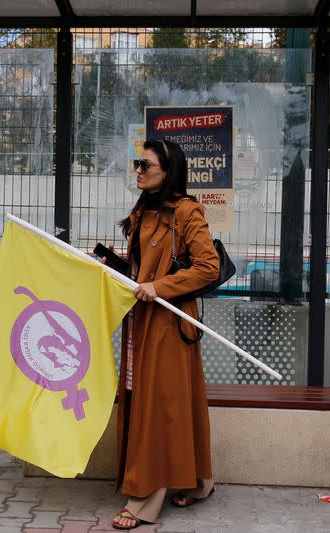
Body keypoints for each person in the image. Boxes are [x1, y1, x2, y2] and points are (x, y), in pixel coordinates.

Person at [111, 139, 220, 530]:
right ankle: (200, 481)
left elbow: (208, 267)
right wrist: (115, 263)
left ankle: (145, 497)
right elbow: (143, 266)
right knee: (169, 403)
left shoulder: (188, 212)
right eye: (136, 163)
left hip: (169, 324)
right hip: (141, 322)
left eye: (146, 164)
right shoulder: (144, 211)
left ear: (167, 171)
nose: (138, 170)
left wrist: (161, 287)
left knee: (160, 406)